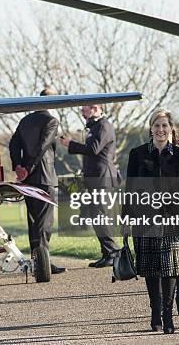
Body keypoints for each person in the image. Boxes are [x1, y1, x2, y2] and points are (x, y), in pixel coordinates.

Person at [123, 109, 179, 334]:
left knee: (170, 267)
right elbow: (130, 188)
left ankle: (167, 313)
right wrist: (126, 218)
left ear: (171, 129)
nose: (161, 130)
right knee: (152, 268)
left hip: (173, 218)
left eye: (165, 126)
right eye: (157, 126)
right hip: (145, 219)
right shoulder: (137, 154)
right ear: (151, 129)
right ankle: (155, 311)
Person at [9, 88, 66, 275]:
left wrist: (18, 165)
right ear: (51, 101)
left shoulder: (25, 121)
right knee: (44, 221)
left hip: (28, 179)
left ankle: (37, 260)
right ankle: (43, 262)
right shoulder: (51, 121)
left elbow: (13, 144)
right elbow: (43, 147)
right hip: (43, 176)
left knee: (33, 220)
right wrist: (28, 168)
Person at [59, 104, 120, 267]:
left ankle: (113, 253)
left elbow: (93, 149)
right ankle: (108, 253)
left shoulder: (103, 125)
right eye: (85, 109)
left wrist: (70, 144)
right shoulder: (95, 127)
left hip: (102, 178)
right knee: (97, 215)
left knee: (100, 215)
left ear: (99, 109)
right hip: (95, 178)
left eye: (90, 108)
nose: (87, 111)